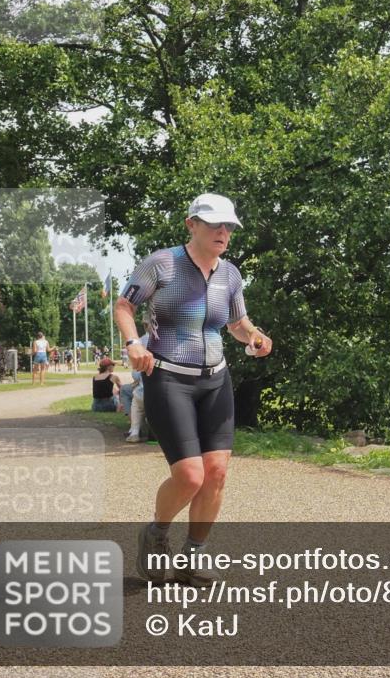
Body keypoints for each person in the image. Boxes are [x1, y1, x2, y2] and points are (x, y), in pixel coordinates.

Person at [115, 193, 272, 586]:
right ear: (191, 224)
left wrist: (253, 336)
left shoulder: (230, 274)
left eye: (229, 226)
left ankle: (193, 557)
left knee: (216, 472)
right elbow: (123, 306)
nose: (224, 232)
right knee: (189, 476)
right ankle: (156, 534)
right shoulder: (162, 264)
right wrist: (134, 344)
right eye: (215, 224)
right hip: (168, 377)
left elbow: (237, 323)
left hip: (215, 379)